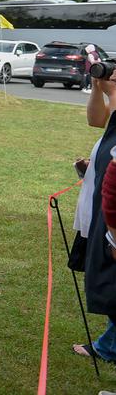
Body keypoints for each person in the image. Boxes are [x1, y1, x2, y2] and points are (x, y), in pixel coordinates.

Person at [74, 68, 116, 362]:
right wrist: (97, 87)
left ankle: (108, 345)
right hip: (100, 198)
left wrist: (112, 92)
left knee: (111, 279)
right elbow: (97, 120)